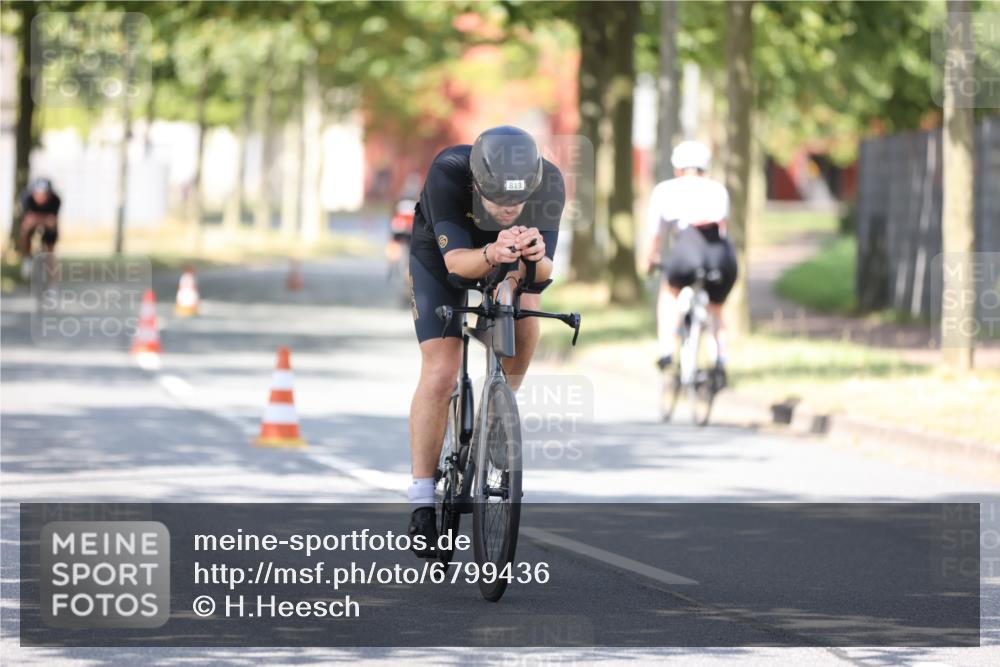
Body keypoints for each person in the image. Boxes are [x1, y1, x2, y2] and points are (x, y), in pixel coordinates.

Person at [406, 126, 565, 555]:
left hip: (508, 257)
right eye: (498, 201)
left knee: (526, 316)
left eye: (517, 202)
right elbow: (457, 264)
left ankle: (500, 410)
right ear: (477, 184)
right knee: (440, 370)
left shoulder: (549, 180)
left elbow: (546, 270)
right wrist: (492, 253)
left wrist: (530, 255)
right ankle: (422, 497)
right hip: (442, 257)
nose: (509, 209)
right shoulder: (448, 172)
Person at [645, 140, 737, 386]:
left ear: (677, 168)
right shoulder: (719, 190)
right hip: (720, 254)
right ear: (705, 168)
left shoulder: (665, 190)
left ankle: (666, 351)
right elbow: (722, 227)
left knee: (669, 292)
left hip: (686, 251)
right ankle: (720, 361)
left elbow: (656, 235)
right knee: (716, 308)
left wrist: (650, 260)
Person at [19, 178, 62, 285]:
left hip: (47, 224)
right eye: (39, 194)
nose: (42, 197)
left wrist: (39, 220)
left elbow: (52, 221)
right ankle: (28, 258)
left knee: (50, 251)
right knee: (25, 229)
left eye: (45, 195)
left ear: (50, 194)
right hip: (34, 222)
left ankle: (52, 285)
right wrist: (43, 220)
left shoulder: (56, 200)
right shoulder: (26, 198)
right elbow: (28, 219)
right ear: (33, 193)